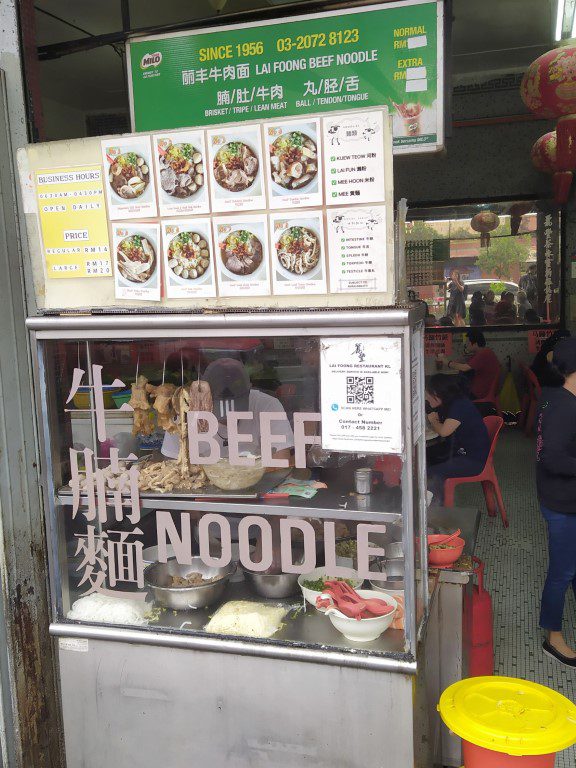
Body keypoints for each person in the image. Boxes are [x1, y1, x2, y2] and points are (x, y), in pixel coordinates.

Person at [161, 357, 294, 461]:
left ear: (250, 390)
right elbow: (172, 463)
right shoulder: (184, 410)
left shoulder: (267, 406)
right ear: (205, 395)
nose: (228, 416)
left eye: (236, 405)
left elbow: (281, 459)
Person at [536, 337, 576, 667]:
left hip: (560, 497)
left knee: (572, 568)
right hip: (563, 503)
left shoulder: (554, 396)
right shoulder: (564, 406)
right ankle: (553, 636)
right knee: (562, 572)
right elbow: (552, 458)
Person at [426, 374, 490, 504]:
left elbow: (444, 431)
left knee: (430, 473)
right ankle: (433, 498)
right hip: (463, 451)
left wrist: (433, 420)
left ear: (437, 393)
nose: (427, 398)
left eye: (428, 394)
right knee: (426, 456)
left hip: (473, 460)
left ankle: (435, 511)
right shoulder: (455, 401)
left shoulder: (459, 406)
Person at [441, 330, 501, 400]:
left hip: (479, 393)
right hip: (481, 390)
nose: (466, 344)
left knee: (450, 395)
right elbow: (465, 363)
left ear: (475, 344)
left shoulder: (484, 354)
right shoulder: (485, 352)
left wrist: (447, 362)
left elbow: (464, 368)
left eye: (467, 342)